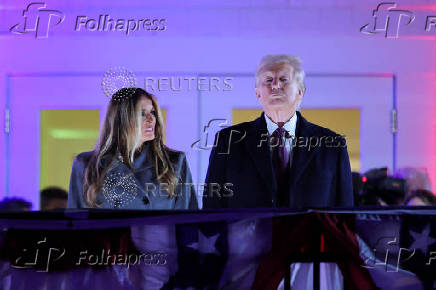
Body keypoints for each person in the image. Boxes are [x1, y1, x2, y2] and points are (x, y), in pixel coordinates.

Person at [203, 54, 354, 209]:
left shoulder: (332, 145)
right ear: (258, 94)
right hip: (247, 233)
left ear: (300, 92)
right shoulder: (228, 141)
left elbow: (345, 214)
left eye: (283, 79)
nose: (275, 85)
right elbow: (212, 210)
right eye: (268, 80)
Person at [67, 87, 198, 210]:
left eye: (152, 112)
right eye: (142, 113)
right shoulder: (85, 164)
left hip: (157, 234)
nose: (151, 119)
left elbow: (189, 220)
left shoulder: (174, 161)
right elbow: (75, 222)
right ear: (122, 119)